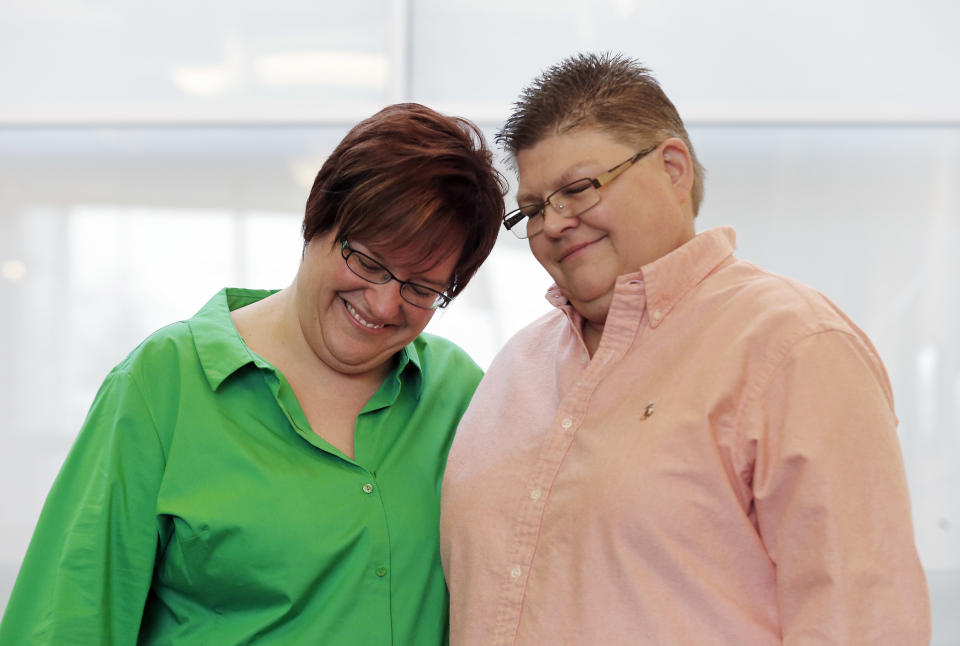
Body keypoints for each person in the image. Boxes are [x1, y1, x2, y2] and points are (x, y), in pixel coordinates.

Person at [439, 53, 931, 645]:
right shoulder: (512, 370)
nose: (554, 224)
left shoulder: (793, 346)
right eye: (536, 208)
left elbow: (865, 623)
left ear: (673, 169)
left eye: (577, 189)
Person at [0, 103, 505, 645]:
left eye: (421, 288)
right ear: (317, 222)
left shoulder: (460, 396)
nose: (384, 305)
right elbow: (68, 620)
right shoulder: (163, 383)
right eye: (368, 262)